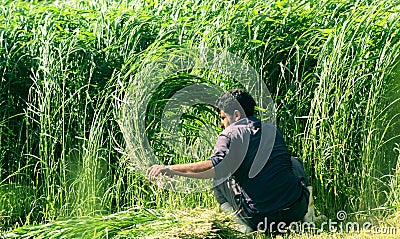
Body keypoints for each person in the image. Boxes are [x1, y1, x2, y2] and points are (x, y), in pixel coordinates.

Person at [147, 88, 312, 234]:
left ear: (237, 115)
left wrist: (169, 169)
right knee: (294, 162)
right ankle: (308, 218)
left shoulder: (230, 134)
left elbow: (213, 167)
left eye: (223, 117)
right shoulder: (272, 130)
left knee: (218, 180)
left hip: (259, 218)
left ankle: (243, 227)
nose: (221, 124)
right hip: (295, 209)